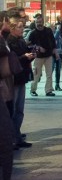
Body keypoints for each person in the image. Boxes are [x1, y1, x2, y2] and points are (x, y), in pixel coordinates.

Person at [6, 17, 35, 148]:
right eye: (19, 27)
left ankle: (16, 137)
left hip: (21, 76)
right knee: (14, 110)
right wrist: (24, 57)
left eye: (23, 26)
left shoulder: (21, 40)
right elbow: (11, 60)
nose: (22, 29)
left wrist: (30, 55)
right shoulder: (9, 41)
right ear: (12, 28)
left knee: (19, 110)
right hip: (14, 78)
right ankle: (12, 138)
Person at [28, 17, 56, 97]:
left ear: (43, 22)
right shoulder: (32, 33)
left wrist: (55, 51)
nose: (39, 24)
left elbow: (53, 41)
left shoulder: (48, 31)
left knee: (49, 74)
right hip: (38, 57)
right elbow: (29, 45)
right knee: (36, 74)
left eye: (40, 22)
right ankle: (33, 90)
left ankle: (48, 90)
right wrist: (38, 47)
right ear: (35, 23)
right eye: (37, 22)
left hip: (48, 56)